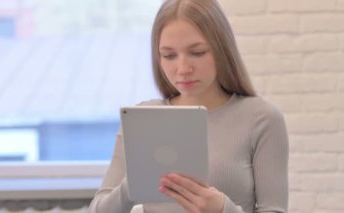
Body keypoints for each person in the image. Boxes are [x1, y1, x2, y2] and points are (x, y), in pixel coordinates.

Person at [88, 0, 289, 212]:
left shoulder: (261, 119)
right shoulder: (141, 119)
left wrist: (223, 209)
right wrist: (134, 183)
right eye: (169, 55)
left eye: (198, 52)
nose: (183, 68)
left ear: (222, 49)